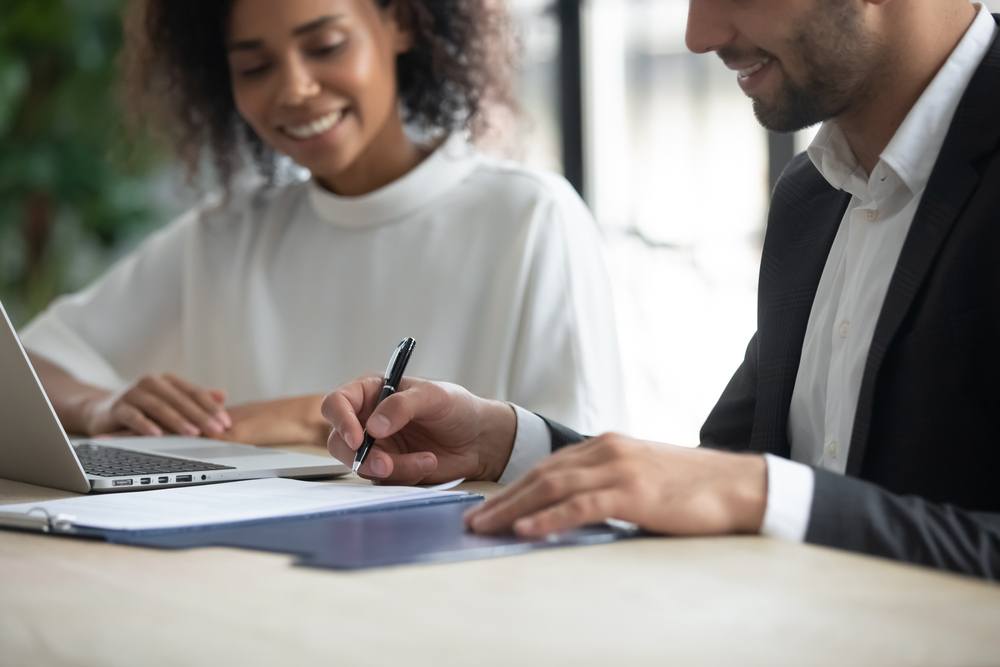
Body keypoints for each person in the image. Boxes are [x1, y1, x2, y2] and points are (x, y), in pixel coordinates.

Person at [322, 0, 1000, 580]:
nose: (698, 34)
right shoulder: (813, 195)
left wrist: (762, 492)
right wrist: (507, 443)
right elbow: (716, 480)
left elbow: (757, 491)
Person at [20, 0, 625, 451]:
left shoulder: (525, 216)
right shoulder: (225, 235)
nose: (295, 88)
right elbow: (21, 372)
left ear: (401, 22)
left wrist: (303, 419)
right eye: (255, 67)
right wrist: (101, 407)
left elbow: (577, 454)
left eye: (327, 45)